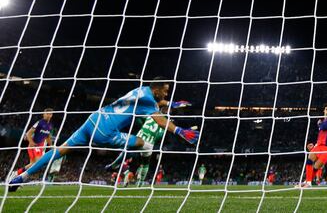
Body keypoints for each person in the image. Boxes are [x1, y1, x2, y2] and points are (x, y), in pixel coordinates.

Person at [8, 77, 199, 192]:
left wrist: (171, 104)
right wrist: (180, 131)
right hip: (105, 132)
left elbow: (157, 104)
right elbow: (160, 119)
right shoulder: (150, 100)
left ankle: (22, 177)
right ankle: (116, 164)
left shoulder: (141, 90)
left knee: (60, 150)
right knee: (144, 143)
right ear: (157, 89)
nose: (165, 95)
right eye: (165, 92)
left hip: (93, 119)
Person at [298, 103, 327, 188]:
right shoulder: (321, 120)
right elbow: (321, 133)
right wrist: (315, 144)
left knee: (316, 166)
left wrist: (319, 124)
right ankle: (308, 182)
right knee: (309, 159)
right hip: (318, 145)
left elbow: (324, 127)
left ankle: (308, 182)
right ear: (324, 110)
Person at [14, 108, 54, 176]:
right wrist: (31, 142)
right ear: (43, 114)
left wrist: (51, 146)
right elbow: (28, 133)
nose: (48, 115)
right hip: (35, 145)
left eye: (50, 114)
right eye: (47, 114)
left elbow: (47, 137)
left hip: (40, 146)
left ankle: (16, 174)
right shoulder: (39, 123)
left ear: (52, 115)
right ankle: (19, 176)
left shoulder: (50, 125)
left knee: (32, 164)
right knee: (38, 163)